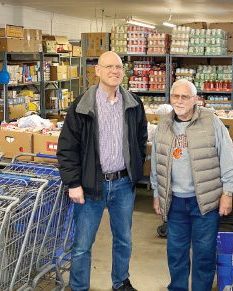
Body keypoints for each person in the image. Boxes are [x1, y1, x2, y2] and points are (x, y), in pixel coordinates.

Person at [57, 51, 147, 291]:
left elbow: (140, 140)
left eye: (119, 67)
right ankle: (79, 287)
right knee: (83, 245)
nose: (115, 71)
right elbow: (67, 148)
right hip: (90, 185)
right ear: (97, 70)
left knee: (124, 240)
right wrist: (73, 183)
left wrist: (134, 170)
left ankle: (120, 282)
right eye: (109, 66)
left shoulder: (134, 104)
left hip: (122, 183)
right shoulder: (81, 106)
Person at [150, 79, 233, 291]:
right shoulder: (164, 125)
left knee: (204, 254)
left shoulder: (211, 121)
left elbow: (227, 156)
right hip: (174, 202)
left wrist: (227, 192)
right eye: (175, 96)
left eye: (185, 96)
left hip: (204, 203)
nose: (179, 101)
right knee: (176, 253)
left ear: (195, 99)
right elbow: (156, 160)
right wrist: (156, 192)